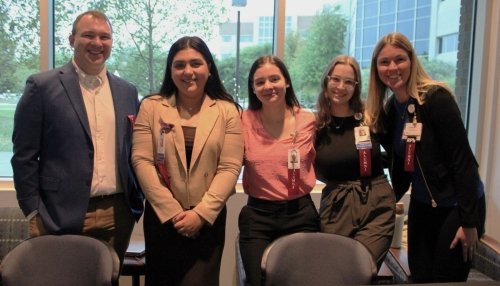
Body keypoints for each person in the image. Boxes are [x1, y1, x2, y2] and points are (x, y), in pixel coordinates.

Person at [11, 10, 144, 268]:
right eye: (88, 35)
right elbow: (24, 156)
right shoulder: (42, 87)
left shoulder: (127, 91)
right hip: (57, 215)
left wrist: (134, 203)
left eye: (105, 37)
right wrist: (33, 211)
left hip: (117, 214)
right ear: (72, 39)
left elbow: (132, 150)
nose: (97, 43)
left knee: (107, 279)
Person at [365, 32, 486, 283]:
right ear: (376, 69)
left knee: (445, 277)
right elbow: (399, 166)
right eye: (384, 62)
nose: (392, 68)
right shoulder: (390, 110)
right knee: (419, 276)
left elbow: (462, 162)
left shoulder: (436, 99)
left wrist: (470, 222)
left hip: (455, 206)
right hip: (422, 205)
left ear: (412, 60)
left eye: (399, 59)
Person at [131, 36, 244, 286]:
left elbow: (230, 167)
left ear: (209, 68)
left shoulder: (227, 111)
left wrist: (201, 214)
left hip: (207, 222)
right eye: (179, 65)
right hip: (163, 220)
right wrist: (172, 212)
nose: (188, 71)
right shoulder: (151, 107)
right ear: (170, 71)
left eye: (196, 63)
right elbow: (142, 161)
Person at [238, 55, 320, 286]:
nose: (268, 86)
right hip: (258, 216)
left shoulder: (308, 120)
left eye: (274, 79)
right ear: (253, 89)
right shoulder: (242, 121)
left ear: (286, 82)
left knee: (301, 281)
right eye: (260, 82)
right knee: (257, 282)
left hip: (301, 213)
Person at [314, 55, 395, 269]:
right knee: (334, 270)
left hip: (376, 203)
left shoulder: (371, 116)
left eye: (349, 82)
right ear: (326, 80)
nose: (341, 87)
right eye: (336, 79)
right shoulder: (316, 125)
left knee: (361, 268)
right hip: (336, 205)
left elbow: (398, 152)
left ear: (356, 86)